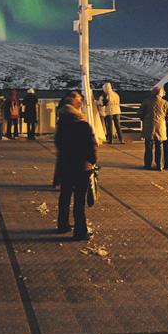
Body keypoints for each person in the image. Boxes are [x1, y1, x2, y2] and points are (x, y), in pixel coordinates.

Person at [53, 91, 97, 240]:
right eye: (80, 101)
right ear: (76, 105)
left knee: (65, 196)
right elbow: (91, 146)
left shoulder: (62, 123)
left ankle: (63, 224)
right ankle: (80, 230)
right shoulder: (82, 124)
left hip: (65, 164)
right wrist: (92, 161)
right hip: (81, 167)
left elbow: (58, 143)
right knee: (79, 200)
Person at [137, 87, 168, 170]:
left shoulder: (146, 101)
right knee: (159, 146)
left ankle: (148, 165)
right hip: (160, 127)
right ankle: (159, 165)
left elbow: (140, 113)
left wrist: (144, 119)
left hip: (148, 126)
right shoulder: (165, 102)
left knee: (148, 146)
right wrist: (164, 121)